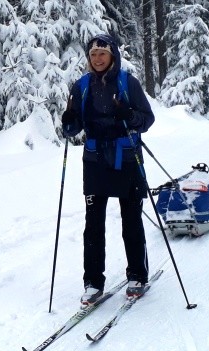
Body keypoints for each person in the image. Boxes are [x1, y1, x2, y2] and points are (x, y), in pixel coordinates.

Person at [60, 34, 155, 307]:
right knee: (93, 225)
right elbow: (73, 127)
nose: (98, 59)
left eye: (102, 53)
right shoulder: (82, 86)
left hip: (126, 158)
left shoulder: (128, 83)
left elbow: (147, 119)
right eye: (93, 55)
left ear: (112, 55)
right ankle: (93, 282)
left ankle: (137, 275)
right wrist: (68, 122)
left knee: (131, 220)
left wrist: (130, 116)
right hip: (95, 161)